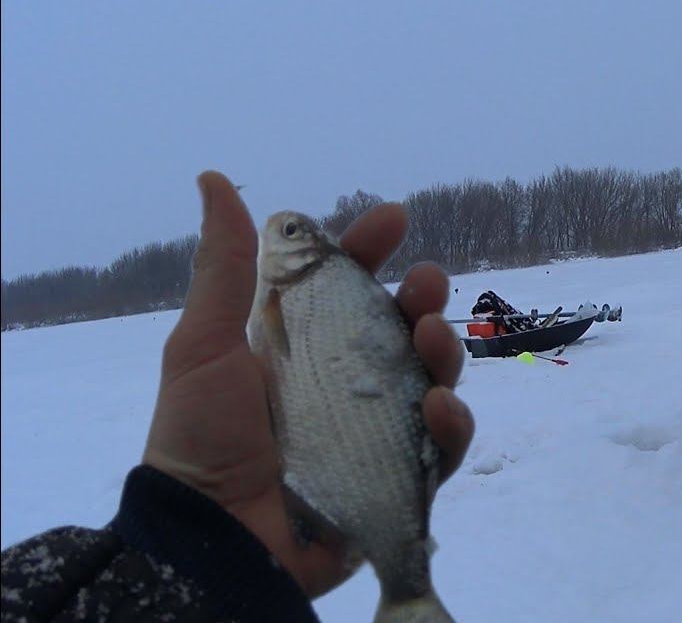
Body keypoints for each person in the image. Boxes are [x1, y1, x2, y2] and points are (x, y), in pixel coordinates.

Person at [0, 172, 475, 621]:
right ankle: (405, 583)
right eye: (292, 230)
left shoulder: (310, 285)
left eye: (290, 232)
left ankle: (405, 585)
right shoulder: (290, 292)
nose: (278, 232)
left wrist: (184, 543)